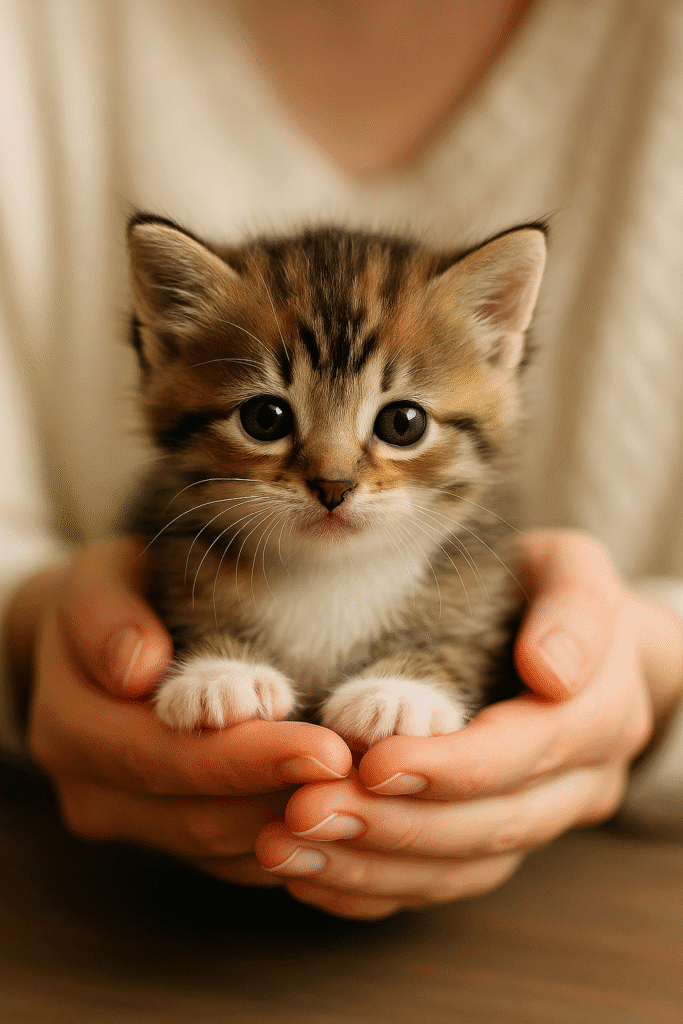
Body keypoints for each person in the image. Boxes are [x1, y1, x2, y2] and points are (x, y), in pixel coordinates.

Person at [1, 0, 682, 921]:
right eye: (269, 416)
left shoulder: (465, 569)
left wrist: (648, 667)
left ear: (496, 348)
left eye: (397, 426)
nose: (332, 474)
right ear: (164, 340)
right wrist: (28, 632)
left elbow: (466, 648)